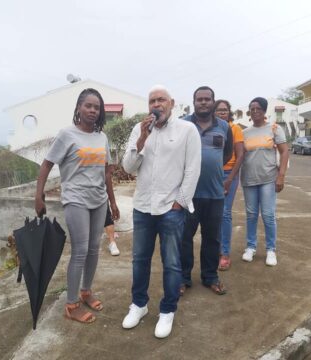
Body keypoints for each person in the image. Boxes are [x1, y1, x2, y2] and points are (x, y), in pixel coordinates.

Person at [122, 85, 201, 338]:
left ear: (172, 103)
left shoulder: (187, 130)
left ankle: (167, 310)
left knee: (172, 263)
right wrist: (141, 139)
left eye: (161, 100)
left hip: (171, 209)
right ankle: (139, 305)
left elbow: (192, 170)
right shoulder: (139, 129)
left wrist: (179, 202)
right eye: (152, 101)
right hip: (143, 207)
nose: (156, 105)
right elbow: (129, 167)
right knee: (139, 261)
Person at [35, 88, 120, 323]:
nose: (93, 110)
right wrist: (38, 195)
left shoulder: (102, 137)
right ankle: (71, 304)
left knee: (94, 248)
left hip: (99, 199)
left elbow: (107, 171)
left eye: (97, 107)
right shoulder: (66, 134)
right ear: (79, 108)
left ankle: (86, 292)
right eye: (88, 105)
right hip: (75, 199)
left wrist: (112, 201)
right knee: (80, 250)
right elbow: (46, 165)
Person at [181, 87, 233, 296]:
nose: (203, 102)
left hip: (214, 194)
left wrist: (212, 167)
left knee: (212, 238)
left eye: (207, 99)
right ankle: (183, 278)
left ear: (213, 102)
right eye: (199, 99)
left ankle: (210, 277)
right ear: (193, 102)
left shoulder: (223, 126)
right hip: (188, 194)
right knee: (184, 238)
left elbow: (227, 153)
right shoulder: (183, 124)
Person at [240, 97, 289, 266]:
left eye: (258, 108)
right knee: (251, 215)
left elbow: (284, 152)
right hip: (248, 179)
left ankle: (270, 250)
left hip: (268, 178)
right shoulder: (245, 133)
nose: (255, 111)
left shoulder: (274, 128)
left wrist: (281, 176)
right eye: (252, 109)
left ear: (264, 111)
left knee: (268, 215)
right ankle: (251, 247)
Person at [215, 100, 244, 271]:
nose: (221, 113)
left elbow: (240, 155)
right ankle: (215, 250)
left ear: (229, 112)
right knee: (213, 214)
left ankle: (225, 253)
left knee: (225, 213)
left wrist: (230, 179)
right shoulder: (211, 128)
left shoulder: (235, 129)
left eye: (224, 110)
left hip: (228, 175)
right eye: (218, 110)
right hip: (212, 175)